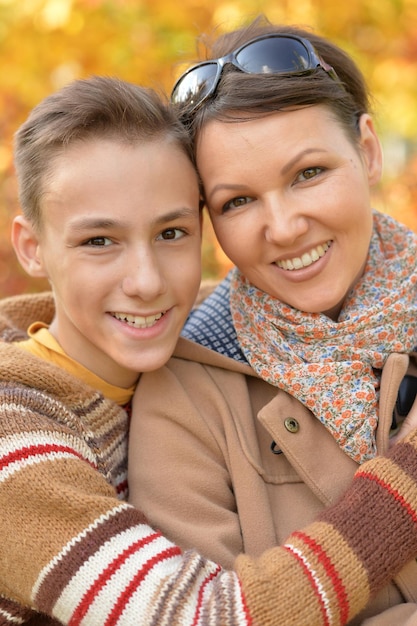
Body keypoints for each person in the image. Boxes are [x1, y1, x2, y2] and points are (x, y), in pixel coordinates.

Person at [4, 73, 417, 626]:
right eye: (99, 242)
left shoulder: (222, 332)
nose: (148, 282)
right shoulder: (14, 434)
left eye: (171, 233)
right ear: (31, 248)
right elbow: (199, 617)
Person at [128, 16, 417, 625]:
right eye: (238, 201)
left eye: (308, 174)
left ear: (366, 152)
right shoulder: (184, 392)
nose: (283, 228)